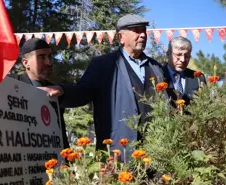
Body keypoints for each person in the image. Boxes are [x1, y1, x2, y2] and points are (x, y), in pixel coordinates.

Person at [41, 14, 165, 155]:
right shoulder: (103, 65)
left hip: (156, 150)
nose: (143, 35)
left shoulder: (156, 67)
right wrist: (62, 91)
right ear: (121, 38)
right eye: (136, 30)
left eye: (144, 30)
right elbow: (82, 92)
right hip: (118, 150)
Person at [8, 38, 69, 149]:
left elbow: (59, 131)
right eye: (41, 57)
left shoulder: (56, 92)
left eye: (50, 57)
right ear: (26, 63)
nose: (48, 63)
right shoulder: (10, 85)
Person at [162, 36, 206, 107]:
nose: (183, 59)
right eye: (178, 55)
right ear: (168, 54)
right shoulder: (158, 74)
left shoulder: (198, 77)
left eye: (187, 56)